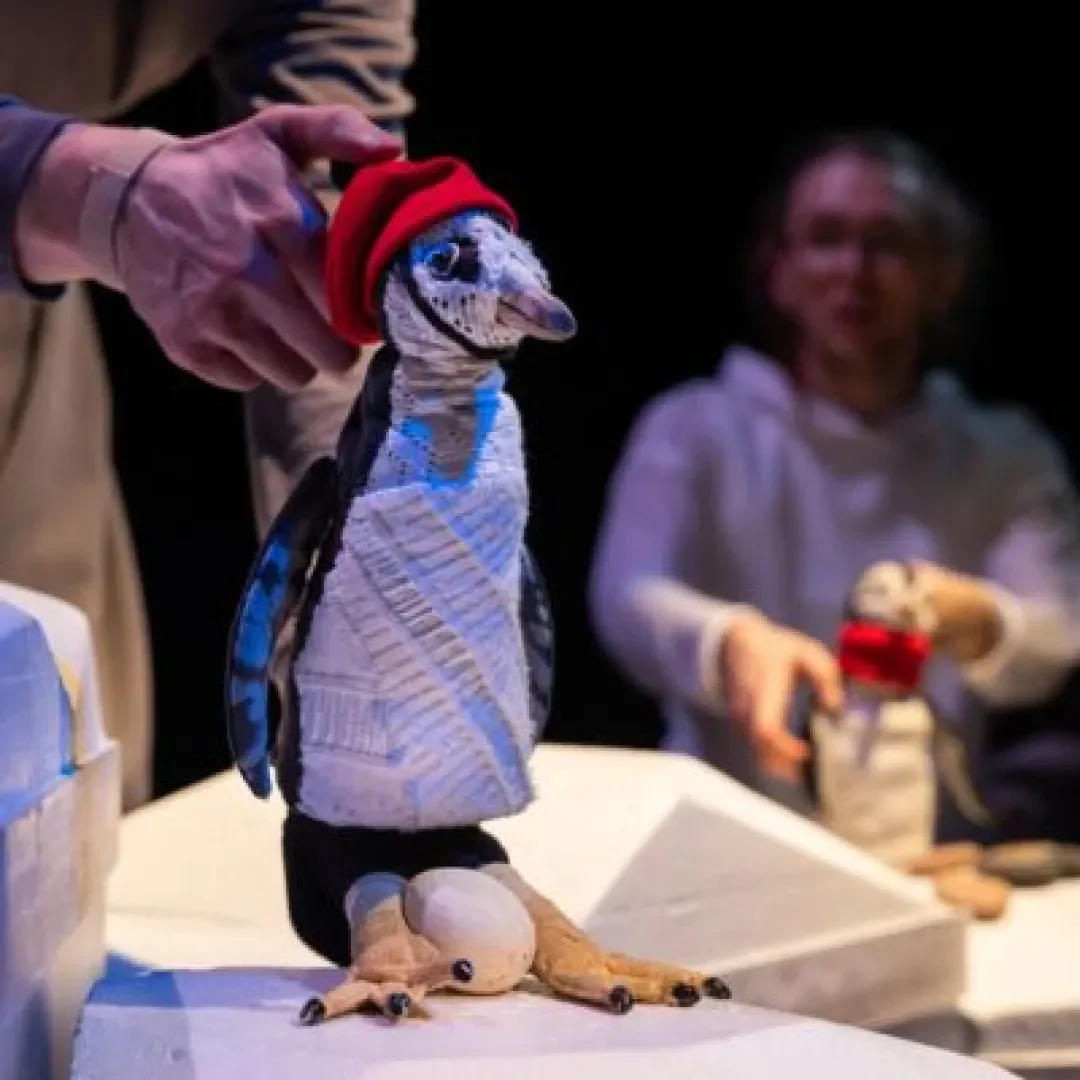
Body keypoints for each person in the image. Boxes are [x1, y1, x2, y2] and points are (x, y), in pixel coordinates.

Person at [588, 129, 1080, 835]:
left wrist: (978, 616)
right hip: (724, 830)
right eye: (826, 238)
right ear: (781, 270)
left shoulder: (1003, 452)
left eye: (889, 243)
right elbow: (627, 593)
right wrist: (728, 640)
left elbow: (1058, 630)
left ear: (944, 275)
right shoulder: (696, 425)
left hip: (923, 840)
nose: (854, 268)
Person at [0, 0, 416, 811]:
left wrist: (354, 571)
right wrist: (102, 195)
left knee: (57, 803)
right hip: (39, 219)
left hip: (28, 333)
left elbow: (319, 224)